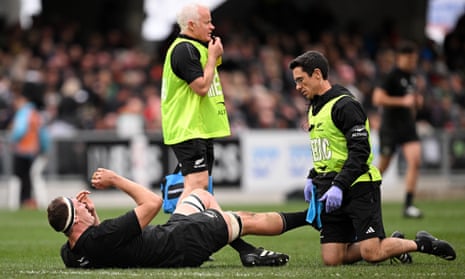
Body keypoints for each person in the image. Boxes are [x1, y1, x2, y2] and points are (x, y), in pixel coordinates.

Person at [289, 50, 456, 266]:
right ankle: (391, 244)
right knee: (333, 259)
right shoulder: (314, 107)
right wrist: (312, 176)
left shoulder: (345, 105)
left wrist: (339, 185)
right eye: (295, 82)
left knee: (372, 253)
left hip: (358, 186)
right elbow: (329, 151)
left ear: (318, 74)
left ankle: (422, 243)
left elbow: (360, 152)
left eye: (300, 80)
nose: (297, 87)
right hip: (330, 188)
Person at [160, 3, 283, 266]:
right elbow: (202, 87)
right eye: (207, 22)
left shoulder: (199, 48)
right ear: (191, 25)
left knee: (198, 192)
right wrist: (214, 58)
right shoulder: (183, 49)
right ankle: (225, 244)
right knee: (198, 190)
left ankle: (182, 239)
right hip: (187, 128)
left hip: (200, 129)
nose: (213, 26)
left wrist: (214, 56)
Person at [47, 167, 310, 268]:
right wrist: (115, 179)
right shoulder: (103, 236)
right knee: (247, 219)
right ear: (76, 219)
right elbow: (153, 202)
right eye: (77, 204)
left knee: (199, 194)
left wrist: (92, 215)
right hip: (184, 242)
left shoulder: (70, 253)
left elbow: (100, 239)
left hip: (172, 235)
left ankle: (244, 249)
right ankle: (311, 217)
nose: (82, 203)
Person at [372, 41, 424, 218]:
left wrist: (416, 103)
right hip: (390, 127)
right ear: (400, 58)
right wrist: (403, 102)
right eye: (409, 59)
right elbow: (377, 98)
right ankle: (366, 196)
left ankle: (408, 205)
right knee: (383, 167)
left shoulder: (413, 77)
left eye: (414, 59)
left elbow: (412, 101)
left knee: (415, 161)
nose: (412, 62)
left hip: (407, 126)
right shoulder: (391, 76)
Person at [9, 81, 50, 209]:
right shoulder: (36, 113)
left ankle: (22, 202)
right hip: (34, 151)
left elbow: (19, 130)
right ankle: (29, 201)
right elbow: (43, 134)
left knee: (20, 178)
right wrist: (44, 149)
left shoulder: (24, 111)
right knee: (30, 178)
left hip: (22, 150)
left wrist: (12, 139)